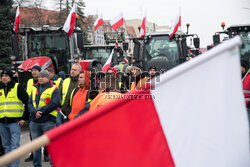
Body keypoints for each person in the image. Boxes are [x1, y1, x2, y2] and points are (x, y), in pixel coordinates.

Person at [28, 70, 60, 167]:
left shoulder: (54, 88)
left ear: (47, 78)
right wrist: (34, 112)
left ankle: (53, 164)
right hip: (34, 121)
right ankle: (37, 165)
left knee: (51, 146)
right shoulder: (34, 88)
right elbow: (29, 103)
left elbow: (55, 103)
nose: (40, 78)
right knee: (36, 146)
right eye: (39, 77)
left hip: (48, 121)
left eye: (42, 77)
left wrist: (40, 112)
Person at [0, 68, 29, 167]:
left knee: (15, 146)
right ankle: (9, 165)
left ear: (10, 77)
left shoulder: (17, 87)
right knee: (6, 146)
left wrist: (24, 118)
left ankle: (14, 166)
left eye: (6, 76)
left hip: (15, 122)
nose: (4, 78)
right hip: (2, 122)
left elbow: (27, 102)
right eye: (2, 76)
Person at [25, 65, 42, 162]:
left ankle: (47, 153)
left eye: (35, 70)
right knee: (32, 135)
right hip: (32, 111)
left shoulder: (43, 81)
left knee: (45, 134)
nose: (34, 72)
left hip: (43, 111)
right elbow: (28, 96)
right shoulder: (30, 82)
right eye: (32, 70)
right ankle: (33, 154)